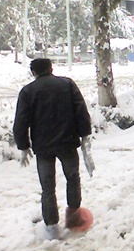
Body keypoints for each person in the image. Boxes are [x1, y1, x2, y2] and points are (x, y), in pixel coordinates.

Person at [13, 58, 93, 238]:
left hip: (43, 147)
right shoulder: (67, 85)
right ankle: (74, 216)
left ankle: (51, 227)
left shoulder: (27, 92)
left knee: (47, 186)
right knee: (73, 177)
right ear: (51, 68)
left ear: (33, 73)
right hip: (68, 142)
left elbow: (21, 121)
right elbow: (81, 110)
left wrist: (23, 146)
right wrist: (85, 135)